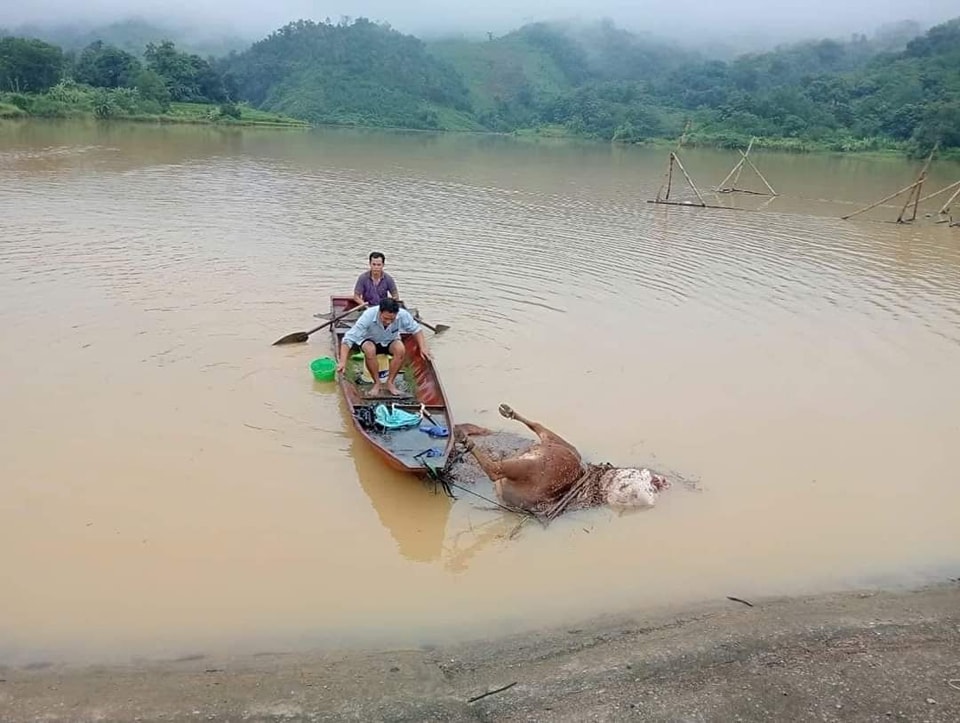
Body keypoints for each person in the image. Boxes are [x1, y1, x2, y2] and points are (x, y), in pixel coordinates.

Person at [336, 298, 431, 397]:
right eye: (385, 318)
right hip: (369, 340)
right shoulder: (368, 316)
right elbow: (348, 339)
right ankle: (377, 383)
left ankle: (390, 382)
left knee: (400, 349)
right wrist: (343, 362)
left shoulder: (403, 315)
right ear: (379, 312)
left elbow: (416, 330)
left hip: (389, 340)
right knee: (370, 349)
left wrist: (423, 347)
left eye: (392, 319)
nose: (388, 322)